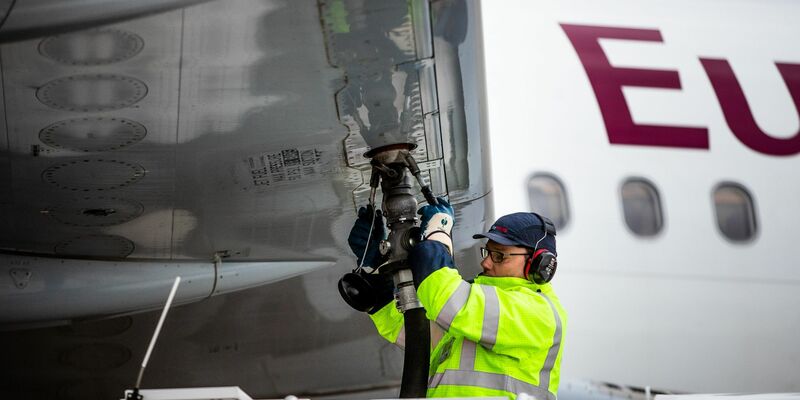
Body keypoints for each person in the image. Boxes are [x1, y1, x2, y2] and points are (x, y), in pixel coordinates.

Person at [347, 199, 567, 400]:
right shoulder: (478, 315)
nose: (486, 263)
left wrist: (439, 234)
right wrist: (381, 274)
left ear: (539, 264)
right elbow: (419, 337)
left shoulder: (539, 313)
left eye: (499, 256)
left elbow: (449, 301)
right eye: (487, 253)